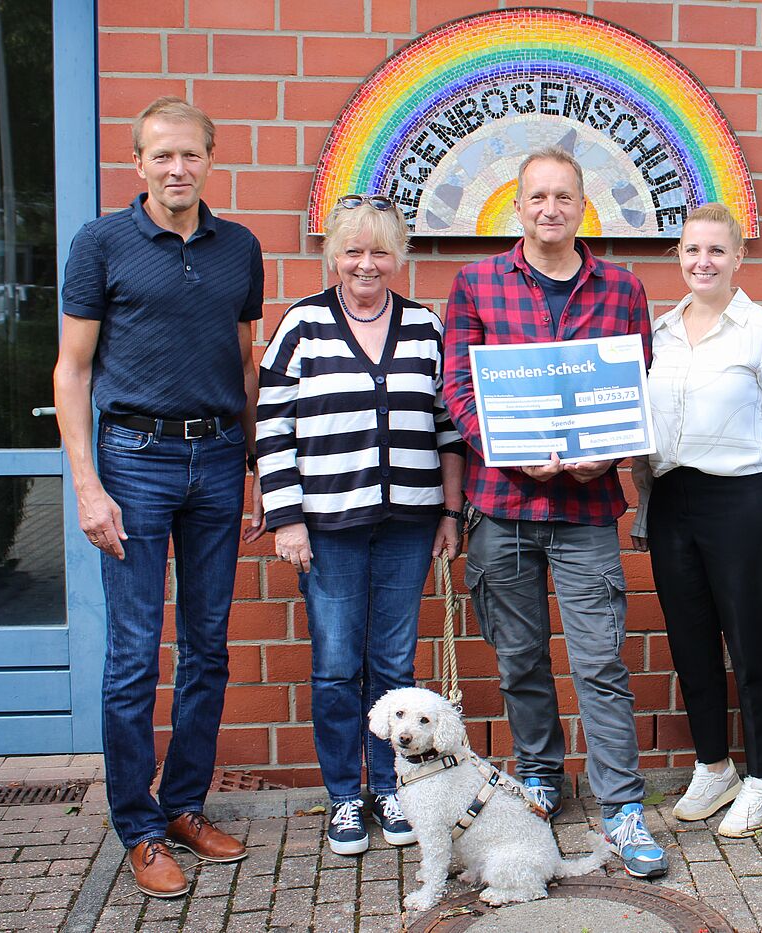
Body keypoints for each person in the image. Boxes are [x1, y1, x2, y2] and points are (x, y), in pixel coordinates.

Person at [53, 96, 262, 898]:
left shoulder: (238, 247)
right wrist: (87, 485)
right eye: (162, 156)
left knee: (208, 647)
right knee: (135, 654)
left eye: (191, 156)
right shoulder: (101, 243)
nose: (178, 169)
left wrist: (249, 468)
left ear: (211, 160)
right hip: (131, 460)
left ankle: (184, 806)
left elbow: (244, 364)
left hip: (215, 460)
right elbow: (72, 371)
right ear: (137, 163)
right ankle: (137, 827)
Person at [441, 146, 666, 879]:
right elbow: (459, 388)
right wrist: (504, 449)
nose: (550, 209)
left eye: (563, 196)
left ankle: (622, 806)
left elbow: (636, 387)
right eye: (537, 197)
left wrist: (613, 450)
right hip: (502, 503)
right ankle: (541, 778)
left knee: (600, 660)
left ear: (581, 206)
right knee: (520, 658)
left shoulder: (623, 289)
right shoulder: (476, 283)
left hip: (586, 509)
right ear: (518, 205)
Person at [255, 194, 464, 857]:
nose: (365, 263)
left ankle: (392, 788)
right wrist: (286, 517)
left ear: (397, 257)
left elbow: (448, 426)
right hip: (328, 528)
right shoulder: (303, 325)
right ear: (333, 255)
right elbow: (272, 426)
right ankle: (346, 795)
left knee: (394, 666)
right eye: (352, 250)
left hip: (408, 522)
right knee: (338, 666)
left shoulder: (425, 327)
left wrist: (450, 511)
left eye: (379, 250)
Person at [630, 202, 762, 837]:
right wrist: (647, 504)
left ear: (738, 258)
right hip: (674, 500)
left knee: (751, 641)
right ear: (679, 256)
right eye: (693, 250)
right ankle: (714, 763)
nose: (704, 261)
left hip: (742, 500)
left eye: (717, 251)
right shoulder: (660, 333)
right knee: (690, 640)